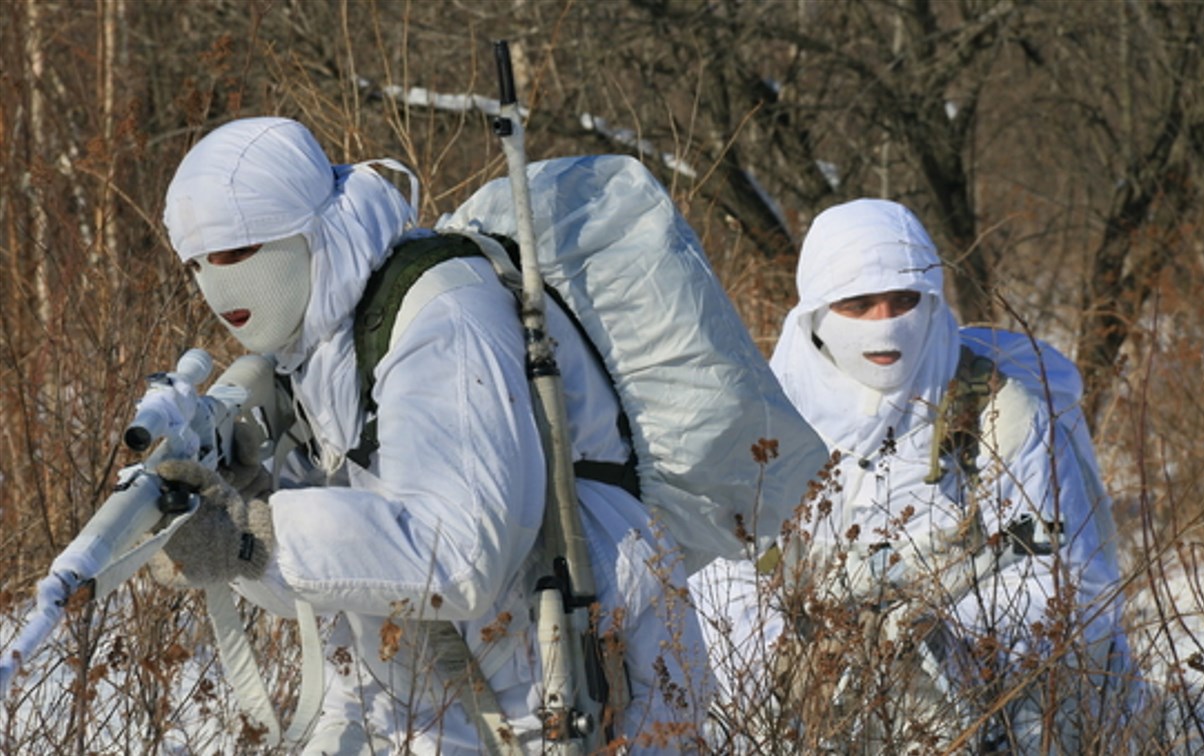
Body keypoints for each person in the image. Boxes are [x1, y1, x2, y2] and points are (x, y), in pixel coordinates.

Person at [152, 116, 708, 754]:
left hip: (568, 693)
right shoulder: (324, 335)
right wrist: (248, 515)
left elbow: (462, 555)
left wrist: (259, 535)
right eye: (197, 263)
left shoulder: (442, 318)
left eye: (236, 252)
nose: (219, 283)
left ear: (307, 228)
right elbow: (349, 569)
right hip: (452, 696)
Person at [767, 198, 1133, 751]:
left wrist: (935, 638)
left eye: (903, 301)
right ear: (817, 312)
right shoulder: (764, 426)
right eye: (858, 304)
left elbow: (1074, 582)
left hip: (1002, 715)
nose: (884, 324)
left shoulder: (1000, 414)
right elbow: (725, 594)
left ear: (933, 301)